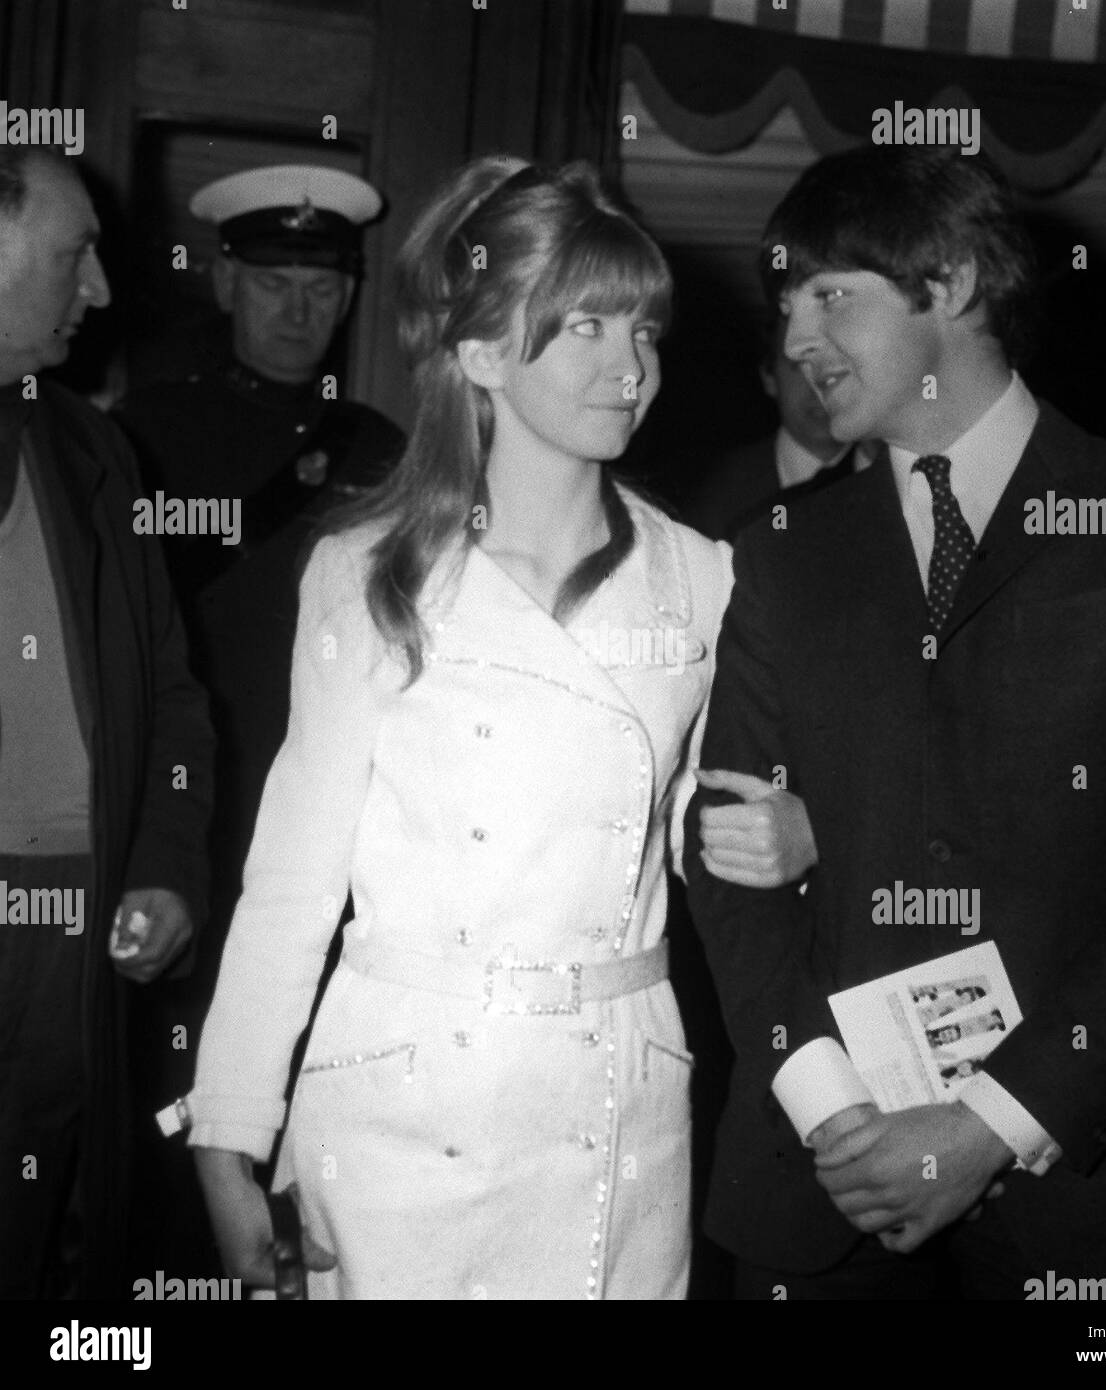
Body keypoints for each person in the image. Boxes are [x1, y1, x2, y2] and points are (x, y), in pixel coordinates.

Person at [177, 155, 815, 1300]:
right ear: (478, 354)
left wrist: (789, 838)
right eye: (583, 328)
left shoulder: (702, 577)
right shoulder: (369, 574)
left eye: (645, 331)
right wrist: (228, 1134)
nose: (630, 370)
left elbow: (681, 830)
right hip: (401, 1111)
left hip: (614, 1102)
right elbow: (291, 883)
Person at [685, 145, 1106, 1300]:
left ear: (945, 283)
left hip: (1095, 1207)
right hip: (824, 1202)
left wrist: (991, 1121)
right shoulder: (781, 551)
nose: (796, 336)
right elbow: (726, 864)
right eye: (784, 301)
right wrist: (840, 1118)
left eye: (828, 293)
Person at [113, 166, 406, 1273]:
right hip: (186, 828)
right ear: (226, 281)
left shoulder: (384, 452)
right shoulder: (140, 435)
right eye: (274, 281)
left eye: (321, 288)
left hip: (328, 839)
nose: (299, 310)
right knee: (167, 1117)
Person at [0, 146, 213, 1298]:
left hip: (70, 936)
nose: (99, 292)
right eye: (74, 253)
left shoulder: (93, 452)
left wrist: (169, 865)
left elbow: (176, 700)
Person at [685, 314, 876, 541]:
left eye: (837, 364)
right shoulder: (710, 496)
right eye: (798, 365)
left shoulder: (897, 480)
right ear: (769, 377)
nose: (819, 384)